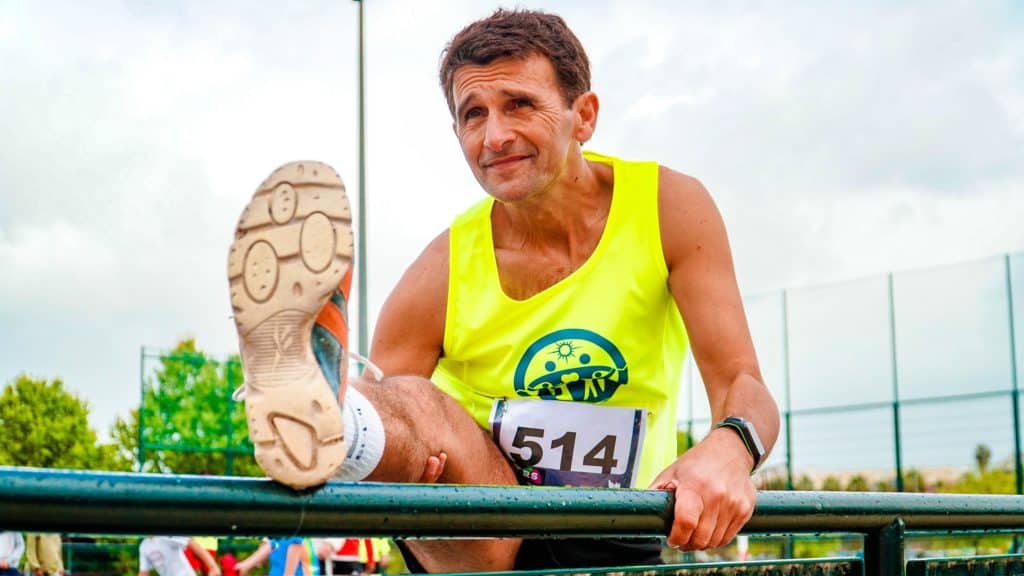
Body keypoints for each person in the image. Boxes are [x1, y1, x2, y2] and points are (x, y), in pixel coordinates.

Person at [227, 7, 778, 573]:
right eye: (473, 114)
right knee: (412, 403)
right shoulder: (438, 271)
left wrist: (730, 448)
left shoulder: (669, 207)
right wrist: (397, 456)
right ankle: (328, 408)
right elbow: (402, 423)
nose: (495, 136)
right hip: (478, 526)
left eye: (519, 104)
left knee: (414, 407)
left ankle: (334, 409)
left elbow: (746, 384)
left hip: (614, 528)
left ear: (583, 115)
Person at [139, 537, 221, 576]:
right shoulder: (144, 546)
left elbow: (192, 543)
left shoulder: (167, 536)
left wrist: (213, 566)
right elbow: (143, 572)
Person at [235, 538, 319, 576]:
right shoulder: (275, 542)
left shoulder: (298, 541)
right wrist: (245, 565)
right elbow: (271, 545)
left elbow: (295, 547)